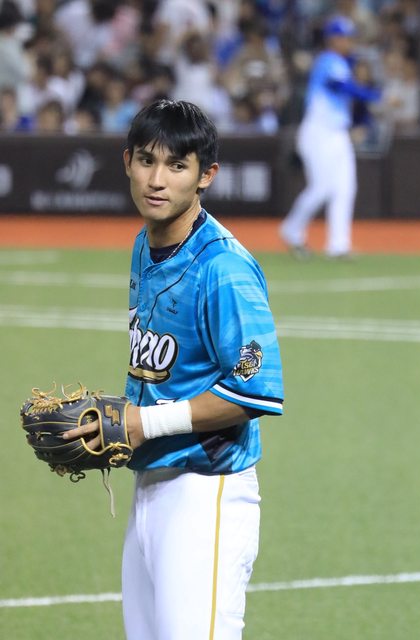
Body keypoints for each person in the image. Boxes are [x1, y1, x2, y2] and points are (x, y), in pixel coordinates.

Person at [63, 99, 284, 639]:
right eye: (146, 160)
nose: (157, 180)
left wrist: (144, 423)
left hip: (206, 494)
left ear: (206, 175)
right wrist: (118, 423)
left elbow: (256, 392)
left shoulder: (223, 267)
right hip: (150, 485)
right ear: (127, 162)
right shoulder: (146, 244)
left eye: (177, 165)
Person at [279, 15, 381, 258]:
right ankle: (291, 230)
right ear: (333, 39)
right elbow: (340, 86)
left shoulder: (342, 62)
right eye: (344, 37)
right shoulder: (328, 60)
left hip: (338, 134)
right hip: (318, 132)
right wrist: (373, 96)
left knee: (345, 187)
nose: (348, 42)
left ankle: (338, 245)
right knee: (322, 188)